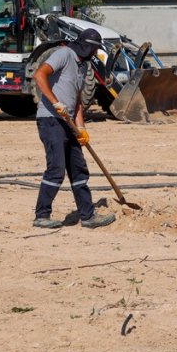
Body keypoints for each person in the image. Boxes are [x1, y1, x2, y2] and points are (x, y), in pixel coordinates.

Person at [31, 28, 116, 230]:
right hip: (51, 120)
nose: (95, 53)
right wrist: (55, 102)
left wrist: (81, 129)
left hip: (68, 122)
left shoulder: (82, 66)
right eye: (95, 49)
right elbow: (39, 75)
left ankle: (87, 215)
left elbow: (77, 101)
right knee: (57, 168)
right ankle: (42, 215)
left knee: (78, 169)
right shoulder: (63, 54)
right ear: (87, 46)